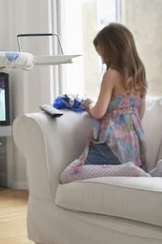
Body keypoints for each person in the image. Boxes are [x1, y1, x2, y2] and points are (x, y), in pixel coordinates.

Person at [61, 23, 151, 183]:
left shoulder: (111, 75)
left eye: (103, 55)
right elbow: (140, 114)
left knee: (68, 175)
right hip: (133, 142)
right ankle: (139, 169)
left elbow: (98, 112)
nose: (103, 61)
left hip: (111, 143)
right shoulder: (140, 76)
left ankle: (127, 170)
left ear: (112, 52)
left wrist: (88, 104)